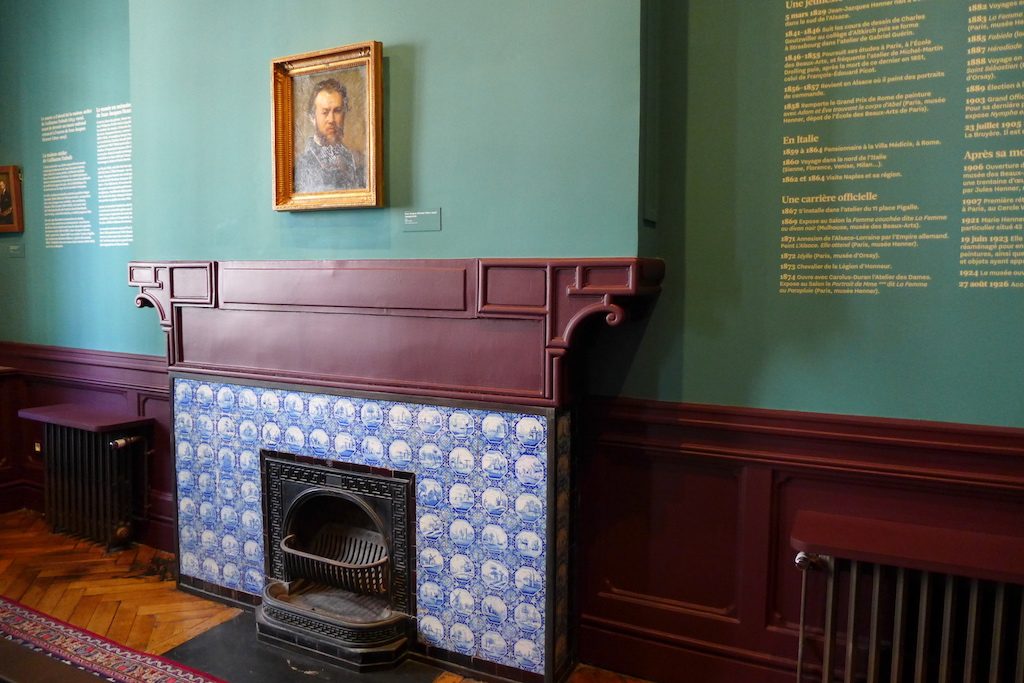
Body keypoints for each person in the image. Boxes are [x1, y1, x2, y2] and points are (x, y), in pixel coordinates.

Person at [294, 78, 365, 193]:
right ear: (312, 117)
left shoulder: (356, 161)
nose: (331, 120)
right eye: (325, 112)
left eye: (337, 111)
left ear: (344, 114)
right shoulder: (301, 164)